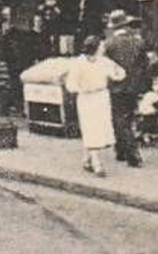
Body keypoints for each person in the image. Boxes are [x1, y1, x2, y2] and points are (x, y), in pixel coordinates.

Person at [63, 35, 124, 177]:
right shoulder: (79, 63)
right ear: (95, 48)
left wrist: (114, 75)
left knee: (99, 128)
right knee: (90, 128)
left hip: (101, 97)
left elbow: (120, 73)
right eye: (101, 46)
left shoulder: (104, 62)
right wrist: (81, 89)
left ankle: (87, 159)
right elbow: (71, 83)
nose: (103, 48)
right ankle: (97, 163)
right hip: (87, 98)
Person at [101, 9, 153, 168]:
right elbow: (146, 66)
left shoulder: (108, 44)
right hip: (134, 86)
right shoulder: (139, 42)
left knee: (119, 119)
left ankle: (132, 154)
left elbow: (103, 67)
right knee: (128, 117)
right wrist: (147, 86)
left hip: (116, 87)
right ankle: (121, 150)